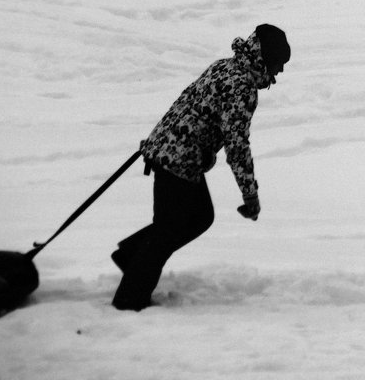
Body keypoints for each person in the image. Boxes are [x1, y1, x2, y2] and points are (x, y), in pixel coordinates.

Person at [110, 24, 290, 311]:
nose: (280, 72)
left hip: (173, 151)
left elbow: (186, 101)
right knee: (167, 230)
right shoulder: (242, 87)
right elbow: (237, 146)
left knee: (199, 216)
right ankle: (129, 298)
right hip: (179, 159)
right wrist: (250, 195)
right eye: (280, 63)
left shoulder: (224, 66)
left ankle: (132, 256)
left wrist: (158, 140)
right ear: (265, 58)